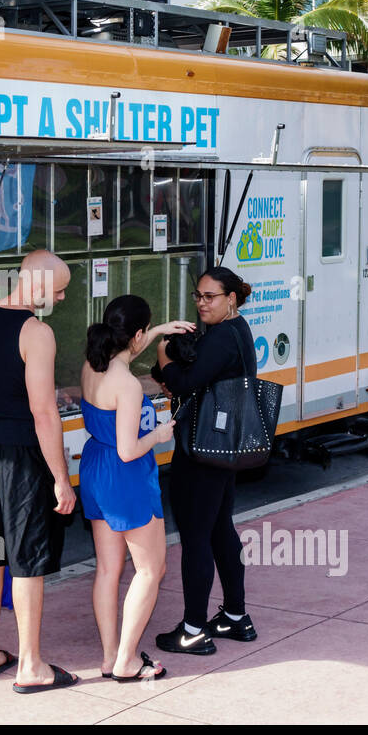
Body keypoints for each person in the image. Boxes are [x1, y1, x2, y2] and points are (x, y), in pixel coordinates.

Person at [0, 249, 79, 693]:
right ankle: (30, 665)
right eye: (60, 289)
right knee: (27, 559)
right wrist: (61, 478)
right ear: (41, 285)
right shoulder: (36, 333)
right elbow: (43, 412)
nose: (63, 298)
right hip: (25, 458)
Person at [79, 295, 194, 682]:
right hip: (125, 476)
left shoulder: (92, 367)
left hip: (95, 470)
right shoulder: (127, 385)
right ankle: (128, 660)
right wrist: (160, 434)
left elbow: (130, 344)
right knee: (151, 568)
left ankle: (111, 656)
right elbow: (129, 450)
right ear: (137, 335)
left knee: (108, 570)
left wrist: (160, 329)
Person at [153, 266, 259, 655]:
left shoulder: (222, 338)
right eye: (198, 295)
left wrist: (163, 354)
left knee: (196, 537)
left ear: (230, 298)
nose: (201, 303)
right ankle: (234, 616)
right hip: (222, 447)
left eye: (209, 297)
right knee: (218, 530)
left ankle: (194, 629)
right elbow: (196, 377)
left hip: (203, 450)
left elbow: (183, 382)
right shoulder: (235, 329)